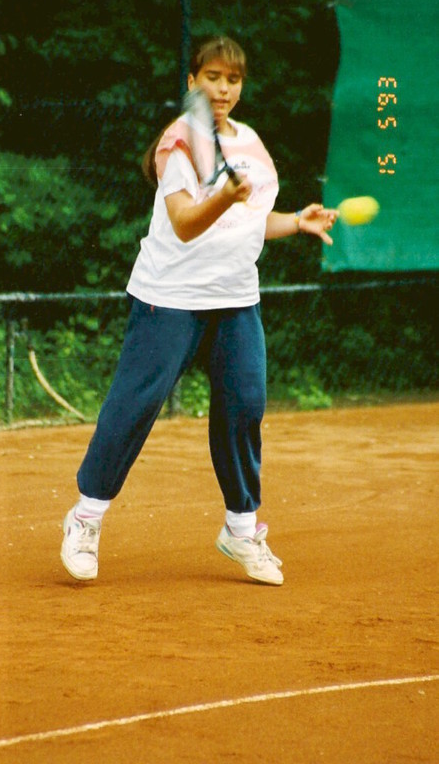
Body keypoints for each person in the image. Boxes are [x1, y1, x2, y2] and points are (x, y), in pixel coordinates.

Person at [61, 36, 338, 586]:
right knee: (134, 407)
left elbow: (249, 219)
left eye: (233, 80)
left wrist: (294, 222)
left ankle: (241, 530)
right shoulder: (180, 141)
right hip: (170, 297)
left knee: (244, 406)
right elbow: (187, 223)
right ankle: (85, 518)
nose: (223, 89)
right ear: (192, 83)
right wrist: (224, 197)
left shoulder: (250, 143)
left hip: (235, 298)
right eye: (212, 77)